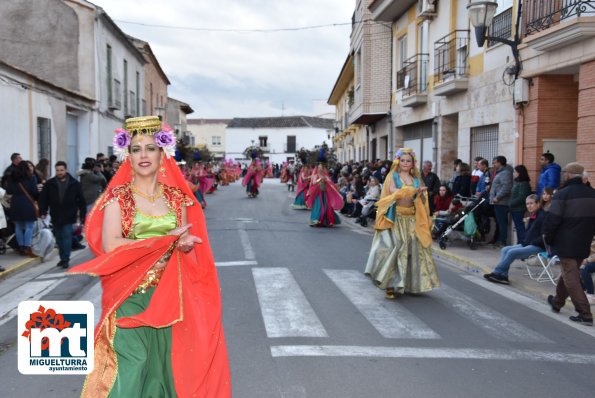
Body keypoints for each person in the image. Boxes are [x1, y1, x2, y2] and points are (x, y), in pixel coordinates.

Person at [66, 116, 231, 396]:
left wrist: (183, 245)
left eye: (150, 147)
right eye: (136, 148)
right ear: (127, 155)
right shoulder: (118, 199)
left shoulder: (177, 199)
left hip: (169, 296)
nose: (143, 155)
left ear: (161, 153)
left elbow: (179, 240)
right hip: (129, 295)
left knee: (162, 371)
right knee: (131, 367)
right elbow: (111, 245)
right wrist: (163, 243)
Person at [364, 148, 440, 299]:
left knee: (413, 251)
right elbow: (393, 192)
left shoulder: (417, 180)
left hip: (412, 220)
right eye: (403, 160)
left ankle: (409, 283)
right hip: (396, 219)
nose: (405, 163)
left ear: (413, 164)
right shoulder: (393, 176)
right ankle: (390, 284)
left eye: (408, 161)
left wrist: (421, 195)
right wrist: (412, 190)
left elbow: (422, 201)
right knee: (396, 248)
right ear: (399, 161)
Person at [544, 162, 595, 326]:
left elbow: (553, 220)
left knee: (571, 276)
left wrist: (548, 238)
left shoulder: (562, 194)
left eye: (564, 173)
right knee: (569, 273)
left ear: (568, 175)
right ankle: (557, 302)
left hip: (566, 241)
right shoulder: (592, 193)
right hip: (584, 241)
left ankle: (585, 313)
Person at [483, 194, 545, 284]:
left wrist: (531, 242)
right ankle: (503, 276)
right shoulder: (533, 215)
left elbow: (545, 235)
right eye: (527, 204)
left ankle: (497, 272)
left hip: (538, 246)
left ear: (538, 204)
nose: (529, 206)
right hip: (528, 244)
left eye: (531, 203)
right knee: (505, 249)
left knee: (512, 252)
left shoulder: (543, 216)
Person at [38, 161, 86, 268]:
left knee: (66, 236)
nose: (59, 172)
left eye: (61, 170)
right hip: (55, 214)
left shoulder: (74, 184)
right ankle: (62, 257)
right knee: (59, 237)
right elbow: (43, 199)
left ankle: (65, 259)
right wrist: (43, 212)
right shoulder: (50, 184)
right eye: (57, 170)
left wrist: (82, 215)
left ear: (66, 170)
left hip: (69, 214)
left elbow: (81, 201)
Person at [6, 161, 39, 257]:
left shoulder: (12, 178)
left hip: (15, 203)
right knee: (29, 226)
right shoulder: (31, 177)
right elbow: (34, 191)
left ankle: (21, 247)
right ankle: (27, 246)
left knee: (18, 226)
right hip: (28, 203)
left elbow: (9, 191)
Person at [306, 161, 343, 227]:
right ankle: (316, 220)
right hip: (318, 193)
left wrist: (326, 180)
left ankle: (328, 221)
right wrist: (320, 179)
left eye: (322, 167)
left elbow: (330, 182)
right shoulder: (315, 175)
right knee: (318, 206)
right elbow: (314, 183)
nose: (320, 168)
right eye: (319, 167)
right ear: (317, 168)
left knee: (327, 206)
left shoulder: (325, 175)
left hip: (325, 193)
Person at [489, 156, 513, 247]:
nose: (493, 164)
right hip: (497, 202)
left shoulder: (505, 173)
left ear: (500, 163)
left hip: (501, 202)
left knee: (502, 222)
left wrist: (497, 197)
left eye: (495, 162)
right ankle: (498, 239)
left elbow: (506, 187)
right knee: (499, 222)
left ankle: (502, 241)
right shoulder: (499, 172)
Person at [509, 165, 532, 244]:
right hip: (515, 209)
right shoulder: (518, 182)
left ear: (520, 173)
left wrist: (511, 203)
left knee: (520, 228)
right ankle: (519, 243)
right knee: (518, 228)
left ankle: (522, 243)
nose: (513, 173)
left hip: (519, 209)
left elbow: (522, 197)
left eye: (515, 172)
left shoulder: (524, 184)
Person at [580, 237, 595, 305]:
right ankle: (582, 291)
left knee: (584, 268)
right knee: (577, 267)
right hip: (589, 259)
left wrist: (587, 260)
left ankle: (591, 294)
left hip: (591, 260)